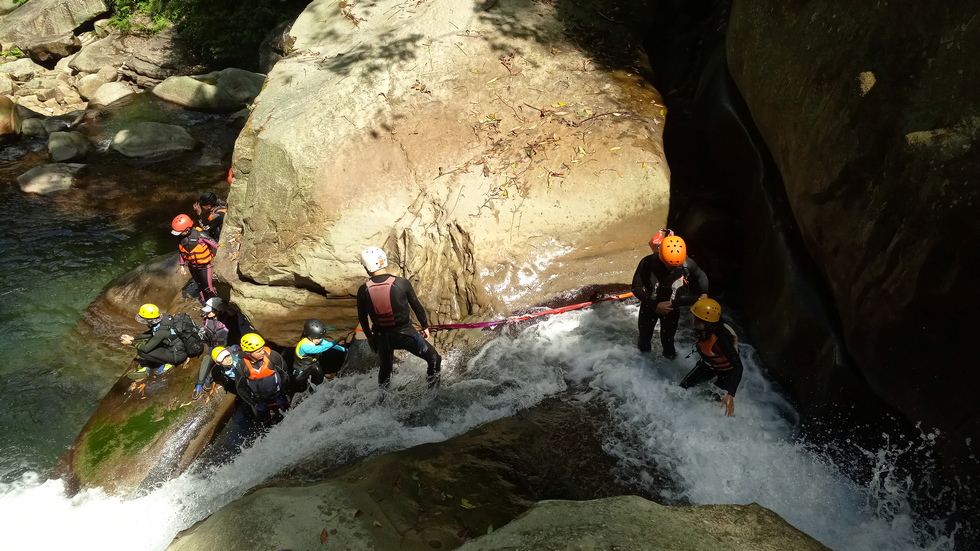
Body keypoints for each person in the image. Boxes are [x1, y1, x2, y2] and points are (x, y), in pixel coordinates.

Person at [356, 246, 442, 395]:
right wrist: (425, 327)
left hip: (382, 338)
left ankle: (383, 401)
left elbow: (362, 317)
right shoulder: (402, 283)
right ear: (384, 262)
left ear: (366, 268)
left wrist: (370, 337)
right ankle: (432, 396)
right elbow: (417, 307)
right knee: (434, 358)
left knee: (385, 370)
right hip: (406, 335)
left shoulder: (363, 290)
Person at [631, 230, 709, 359]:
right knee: (644, 338)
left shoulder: (687, 263)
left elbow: (701, 276)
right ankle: (643, 364)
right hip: (650, 306)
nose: (671, 269)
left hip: (672, 308)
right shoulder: (647, 262)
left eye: (674, 266)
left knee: (668, 341)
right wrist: (655, 305)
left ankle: (669, 365)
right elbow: (636, 287)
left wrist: (704, 293)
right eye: (668, 265)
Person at [680, 298, 743, 417]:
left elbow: (738, 367)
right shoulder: (707, 326)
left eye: (695, 318)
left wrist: (730, 394)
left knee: (712, 402)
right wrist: (673, 303)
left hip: (727, 372)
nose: (692, 319)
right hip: (709, 365)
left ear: (706, 322)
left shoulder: (721, 338)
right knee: (683, 388)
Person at [120, 303, 188, 379]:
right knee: (147, 343)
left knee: (142, 351)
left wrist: (130, 343)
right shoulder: (164, 318)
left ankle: (169, 363)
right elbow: (152, 334)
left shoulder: (162, 331)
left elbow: (146, 348)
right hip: (174, 346)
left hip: (177, 355)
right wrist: (134, 338)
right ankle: (152, 362)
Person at [240, 333, 290, 422]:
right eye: (259, 351)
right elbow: (241, 388)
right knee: (264, 425)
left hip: (278, 396)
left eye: (263, 348)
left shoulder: (273, 356)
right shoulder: (242, 366)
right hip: (260, 402)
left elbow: (285, 375)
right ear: (248, 353)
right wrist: (254, 404)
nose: (263, 352)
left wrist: (282, 395)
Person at [172, 213, 219, 303]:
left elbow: (215, 244)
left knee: (208, 288)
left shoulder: (200, 235)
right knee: (200, 286)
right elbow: (182, 252)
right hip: (192, 267)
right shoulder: (181, 239)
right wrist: (182, 266)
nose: (179, 234)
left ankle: (214, 307)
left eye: (180, 232)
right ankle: (205, 303)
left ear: (187, 229)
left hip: (204, 266)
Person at [292, 318, 347, 393]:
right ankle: (318, 391)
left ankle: (326, 377)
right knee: (316, 367)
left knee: (329, 356)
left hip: (313, 374)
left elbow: (331, 346)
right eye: (317, 338)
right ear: (309, 336)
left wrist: (347, 350)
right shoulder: (304, 346)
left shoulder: (317, 339)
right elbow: (322, 348)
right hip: (301, 377)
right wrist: (337, 340)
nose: (319, 340)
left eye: (320, 338)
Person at [192, 298, 230, 400]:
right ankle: (199, 385)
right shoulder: (208, 320)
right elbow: (207, 337)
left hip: (226, 348)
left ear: (218, 310)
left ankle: (209, 379)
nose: (207, 312)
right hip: (213, 347)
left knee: (219, 362)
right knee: (206, 360)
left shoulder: (228, 321)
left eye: (211, 310)